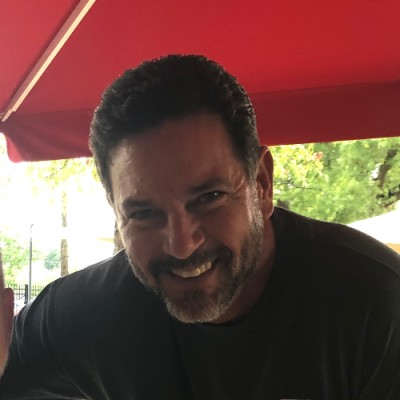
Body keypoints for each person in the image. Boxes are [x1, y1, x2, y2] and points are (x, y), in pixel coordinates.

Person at [0, 54, 399, 399]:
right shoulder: (89, 312)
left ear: (262, 184)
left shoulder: (373, 303)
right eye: (144, 214)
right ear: (116, 211)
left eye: (209, 197)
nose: (181, 244)